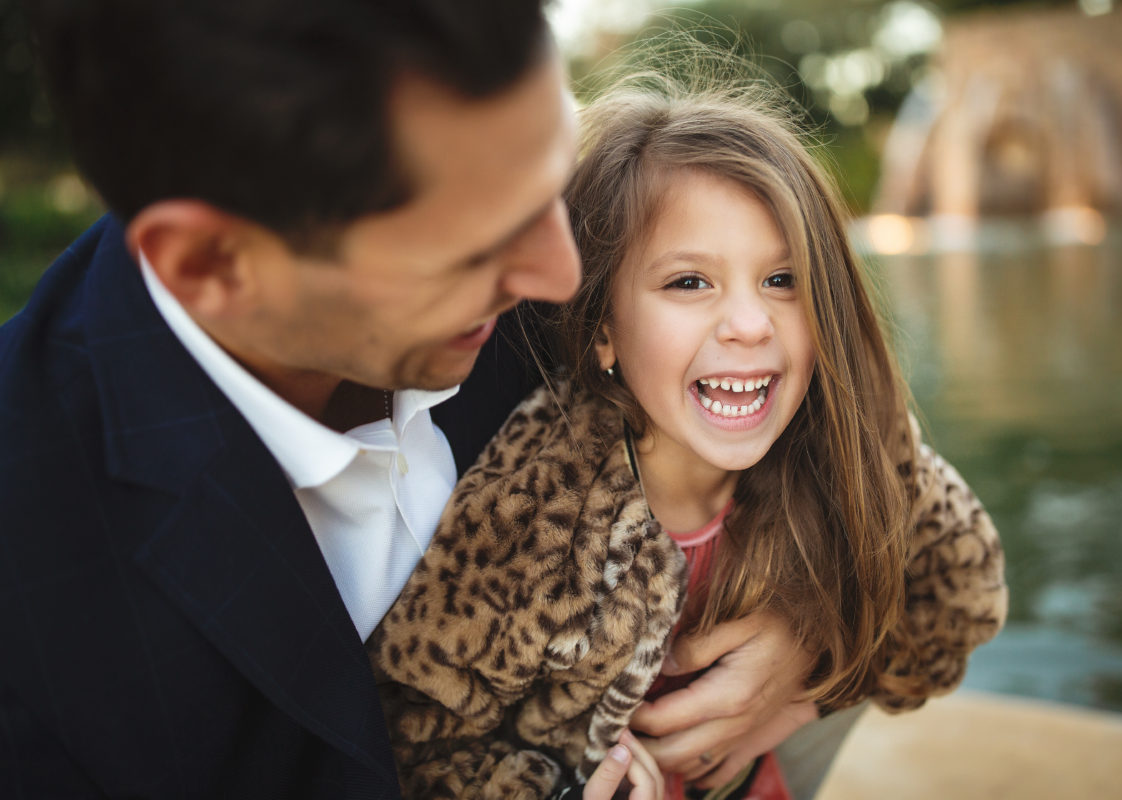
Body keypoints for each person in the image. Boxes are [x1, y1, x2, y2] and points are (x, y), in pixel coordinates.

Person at [0, 1, 666, 796]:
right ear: (212, 263)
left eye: (553, 182)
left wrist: (799, 632)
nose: (561, 277)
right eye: (474, 245)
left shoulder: (509, 242)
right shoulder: (29, 608)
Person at [367, 70, 1008, 799]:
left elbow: (963, 597)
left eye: (783, 279)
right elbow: (418, 740)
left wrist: (806, 693)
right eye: (689, 283)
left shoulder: (843, 440)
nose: (749, 323)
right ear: (604, 329)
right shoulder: (534, 506)